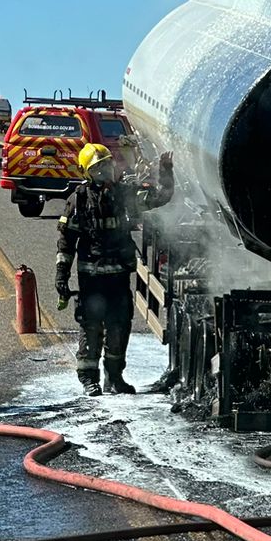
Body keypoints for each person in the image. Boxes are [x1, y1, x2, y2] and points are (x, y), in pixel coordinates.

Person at [55, 143, 174, 396]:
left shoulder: (124, 194)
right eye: (97, 169)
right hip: (92, 280)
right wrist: (61, 277)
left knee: (120, 327)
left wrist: (166, 171)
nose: (104, 173)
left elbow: (160, 197)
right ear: (87, 173)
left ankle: (114, 377)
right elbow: (66, 244)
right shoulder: (78, 201)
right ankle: (89, 379)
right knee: (92, 329)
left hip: (119, 278)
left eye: (106, 166)